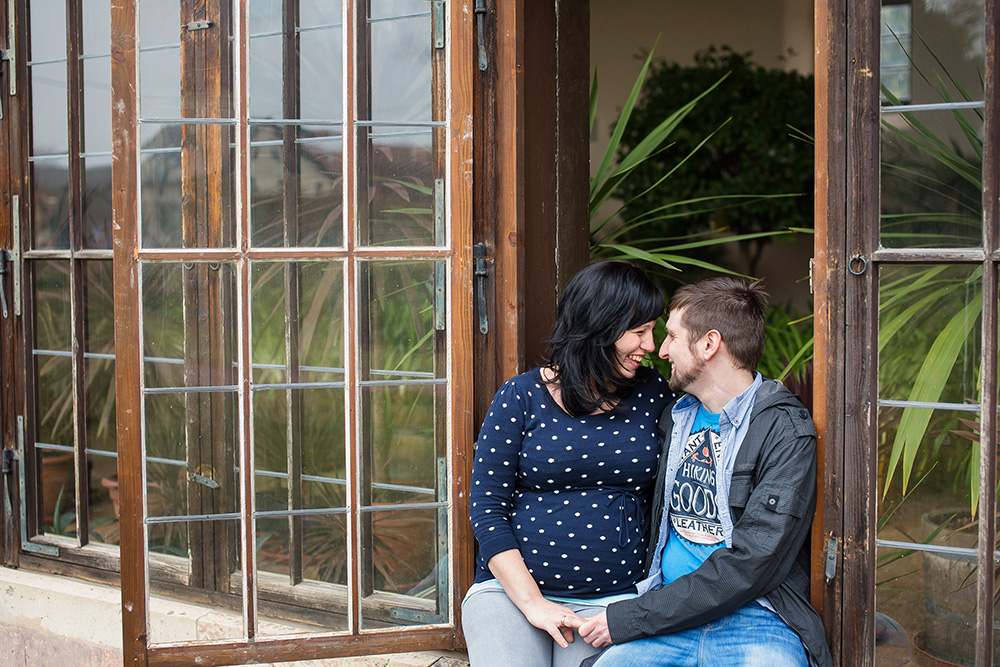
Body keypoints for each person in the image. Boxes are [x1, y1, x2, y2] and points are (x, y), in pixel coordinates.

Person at [573, 276, 833, 667]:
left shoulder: (784, 431)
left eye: (672, 337)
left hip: (758, 621)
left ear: (709, 344)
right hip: (668, 619)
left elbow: (753, 564)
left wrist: (631, 619)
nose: (660, 351)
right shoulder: (672, 418)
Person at [463, 261, 673, 667]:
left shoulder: (653, 394)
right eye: (639, 332)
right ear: (600, 327)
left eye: (653, 330)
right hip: (509, 594)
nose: (651, 346)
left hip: (611, 605)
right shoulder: (520, 397)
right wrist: (535, 604)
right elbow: (487, 509)